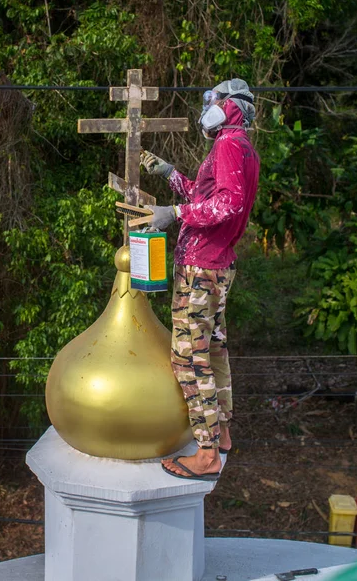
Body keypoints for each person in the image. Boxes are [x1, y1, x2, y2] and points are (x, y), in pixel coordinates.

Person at [141, 78, 260, 481]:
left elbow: (226, 204)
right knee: (216, 349)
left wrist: (173, 214)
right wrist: (172, 174)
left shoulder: (227, 144)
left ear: (231, 106)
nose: (208, 104)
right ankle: (222, 432)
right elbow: (208, 196)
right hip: (218, 263)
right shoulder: (240, 146)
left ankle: (206, 453)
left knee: (189, 358)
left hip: (201, 266)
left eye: (214, 99)